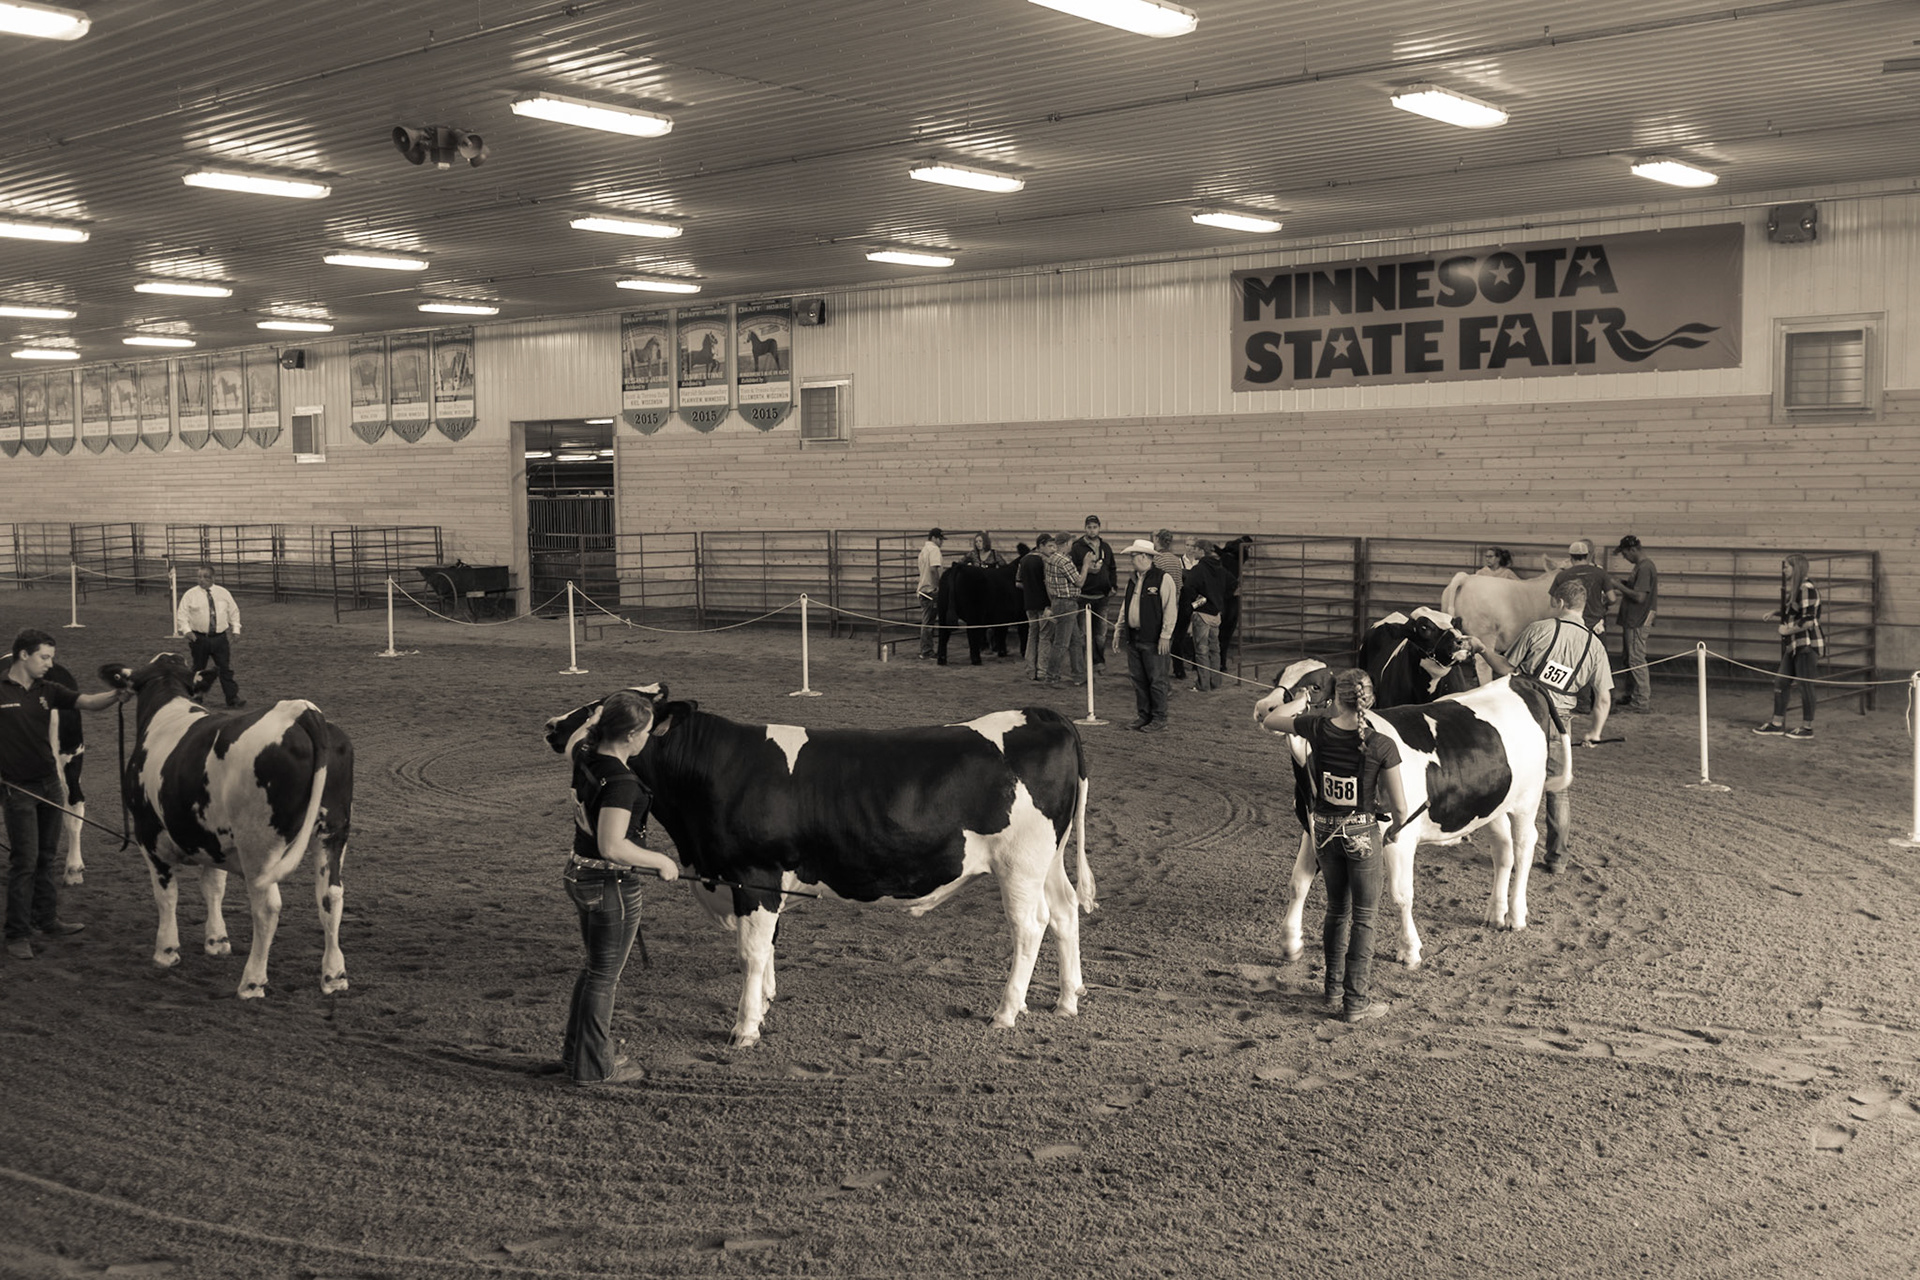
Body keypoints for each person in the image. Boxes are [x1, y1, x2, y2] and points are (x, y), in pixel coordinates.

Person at [1257, 669, 1407, 1023]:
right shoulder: (1382, 745)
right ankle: (1356, 1002)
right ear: (1370, 701)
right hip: (1362, 834)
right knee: (1365, 919)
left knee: (1336, 910)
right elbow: (1400, 807)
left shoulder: (1318, 728)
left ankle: (1333, 989)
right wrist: (1397, 830)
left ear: (1336, 699)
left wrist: (1306, 700)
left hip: (1323, 832)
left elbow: (1272, 717)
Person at [562, 690, 680, 1085]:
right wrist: (661, 861)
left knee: (594, 969)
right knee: (603, 977)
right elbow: (613, 846)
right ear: (630, 735)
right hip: (609, 884)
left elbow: (577, 739)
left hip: (580, 875)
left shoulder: (585, 754)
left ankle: (578, 1057)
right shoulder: (622, 782)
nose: (649, 736)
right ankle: (595, 1069)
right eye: (646, 730)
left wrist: (596, 716)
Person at [3, 629, 131, 960]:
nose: (50, 664)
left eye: (51, 657)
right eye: (44, 657)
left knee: (46, 856)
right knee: (25, 861)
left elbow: (87, 701)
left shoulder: (48, 689)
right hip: (17, 789)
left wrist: (116, 696)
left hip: (49, 784)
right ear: (23, 655)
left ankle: (46, 919)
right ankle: (17, 932)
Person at [1471, 579, 1612, 873]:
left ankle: (1507, 852)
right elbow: (1603, 700)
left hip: (1523, 716)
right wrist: (1595, 732)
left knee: (1510, 782)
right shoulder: (1595, 646)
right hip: (1561, 724)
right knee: (1557, 790)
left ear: (1559, 603)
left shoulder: (1539, 629)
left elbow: (1505, 669)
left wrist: (1482, 649)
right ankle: (1557, 858)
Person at [1754, 553, 1822, 740]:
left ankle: (1807, 728)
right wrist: (1776, 613)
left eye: (1787, 567)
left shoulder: (1807, 589)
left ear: (1796, 568)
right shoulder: (1798, 589)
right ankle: (1777, 723)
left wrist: (1787, 631)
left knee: (1805, 685)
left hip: (1806, 645)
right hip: (1795, 645)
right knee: (1781, 682)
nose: (1784, 570)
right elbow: (1796, 611)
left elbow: (1808, 621)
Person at [1116, 539, 1178, 731]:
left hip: (1152, 639)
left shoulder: (1162, 578)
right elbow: (1126, 606)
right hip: (1134, 637)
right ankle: (1144, 715)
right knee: (1139, 680)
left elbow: (1170, 608)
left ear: (1144, 556)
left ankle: (1159, 718)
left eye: (1133, 556)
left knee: (1157, 680)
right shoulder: (1134, 579)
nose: (1131, 559)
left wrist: (1165, 635)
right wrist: (1119, 628)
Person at [174, 564, 245, 708]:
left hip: (220, 638)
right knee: (198, 669)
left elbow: (233, 611)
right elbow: (182, 614)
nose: (202, 580)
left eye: (206, 577)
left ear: (213, 578)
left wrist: (236, 629)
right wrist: (187, 631)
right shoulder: (190, 595)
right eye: (199, 576)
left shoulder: (223, 593)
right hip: (199, 638)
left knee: (225, 669)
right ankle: (195, 697)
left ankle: (232, 699)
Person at [1610, 535, 1659, 711]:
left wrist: (1618, 585)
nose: (1625, 558)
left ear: (1632, 550)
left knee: (1636, 658)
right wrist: (1624, 583)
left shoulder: (1645, 568)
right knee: (1630, 658)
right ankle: (1631, 694)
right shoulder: (1641, 567)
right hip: (1634, 618)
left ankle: (1641, 701)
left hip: (1638, 618)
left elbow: (1639, 596)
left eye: (1625, 554)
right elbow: (1637, 590)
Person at [1183, 539, 1230, 691]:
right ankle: (1215, 682)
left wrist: (1193, 605)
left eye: (1195, 548)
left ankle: (1203, 684)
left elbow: (1189, 589)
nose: (1193, 551)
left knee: (1201, 650)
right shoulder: (1220, 569)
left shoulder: (1199, 569)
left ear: (1202, 551)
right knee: (1214, 649)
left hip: (1202, 614)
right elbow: (1233, 584)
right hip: (1216, 615)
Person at [1040, 531, 1087, 684]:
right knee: (1062, 643)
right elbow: (1079, 582)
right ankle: (1052, 675)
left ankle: (1079, 675)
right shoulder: (1064, 561)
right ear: (1067, 543)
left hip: (1059, 602)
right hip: (1067, 603)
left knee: (1075, 641)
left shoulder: (1051, 559)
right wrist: (1086, 565)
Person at [1069, 515, 1116, 669]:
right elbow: (1071, 569)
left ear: (1099, 528)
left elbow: (1112, 568)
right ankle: (1086, 662)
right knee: (1083, 633)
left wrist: (1112, 585)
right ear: (1085, 528)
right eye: (1089, 527)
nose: (1092, 530)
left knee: (1101, 634)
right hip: (1083, 595)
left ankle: (1099, 661)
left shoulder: (1106, 547)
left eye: (1095, 527)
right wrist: (1086, 568)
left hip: (1102, 595)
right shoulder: (1076, 547)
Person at [1153, 530, 1193, 680]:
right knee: (1176, 638)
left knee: (1160, 639)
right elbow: (1179, 584)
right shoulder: (1176, 560)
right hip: (1176, 603)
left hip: (1160, 604)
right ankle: (1178, 669)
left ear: (1157, 540)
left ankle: (1160, 671)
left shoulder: (1157, 560)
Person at [1018, 534, 1053, 681]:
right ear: (1041, 545)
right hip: (1044, 605)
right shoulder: (1045, 561)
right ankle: (1042, 671)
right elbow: (1049, 584)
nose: (1053, 549)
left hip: (1029, 604)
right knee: (1045, 637)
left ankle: (1030, 670)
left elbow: (1018, 583)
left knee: (1032, 636)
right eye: (1050, 546)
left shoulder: (1024, 560)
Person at [915, 528, 945, 660]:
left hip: (923, 589)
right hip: (930, 590)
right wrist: (938, 586)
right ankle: (926, 650)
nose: (941, 542)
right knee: (928, 622)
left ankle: (926, 649)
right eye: (940, 539)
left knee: (927, 621)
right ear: (934, 538)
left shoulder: (924, 550)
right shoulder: (934, 550)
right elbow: (933, 569)